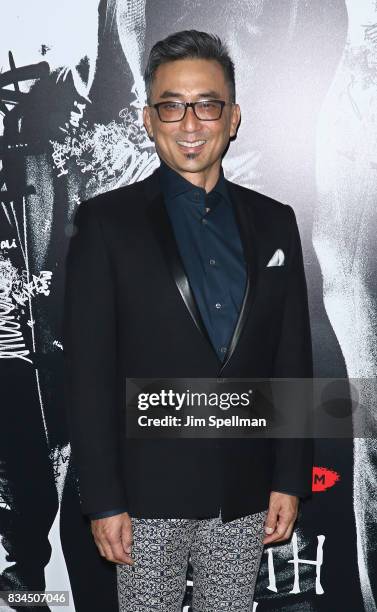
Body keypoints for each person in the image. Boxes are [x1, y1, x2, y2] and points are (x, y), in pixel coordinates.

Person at [63, 29, 313, 612]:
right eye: (171, 106)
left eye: (207, 104)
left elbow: (291, 357)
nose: (191, 123)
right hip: (143, 499)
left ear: (234, 117)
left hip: (245, 492)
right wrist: (102, 498)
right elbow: (89, 374)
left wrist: (290, 475)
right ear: (150, 120)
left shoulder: (276, 222)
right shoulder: (106, 223)